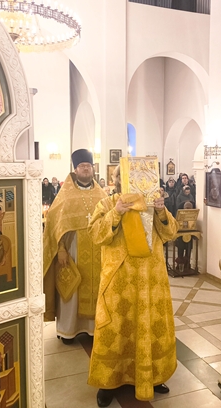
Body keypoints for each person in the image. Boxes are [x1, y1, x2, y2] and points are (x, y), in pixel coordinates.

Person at [87, 165, 179, 406]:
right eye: (126, 176)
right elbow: (95, 235)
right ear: (118, 179)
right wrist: (116, 213)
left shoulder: (153, 204)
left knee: (150, 326)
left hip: (151, 280)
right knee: (116, 328)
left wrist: (161, 211)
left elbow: (171, 233)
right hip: (119, 282)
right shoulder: (107, 204)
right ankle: (109, 382)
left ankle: (153, 376)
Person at [43, 149, 107, 344]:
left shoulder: (101, 194)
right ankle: (67, 330)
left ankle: (92, 329)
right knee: (71, 288)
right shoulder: (66, 195)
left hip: (97, 250)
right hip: (72, 251)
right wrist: (61, 249)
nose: (86, 169)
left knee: (96, 288)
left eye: (88, 166)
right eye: (82, 166)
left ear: (92, 169)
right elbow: (55, 224)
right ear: (75, 169)